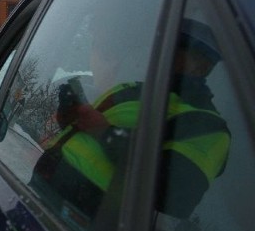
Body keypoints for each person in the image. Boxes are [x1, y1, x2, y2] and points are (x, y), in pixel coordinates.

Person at [32, 18, 231, 220]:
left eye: (177, 48)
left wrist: (104, 133)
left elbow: (176, 194)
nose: (162, 51)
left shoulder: (209, 127)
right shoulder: (136, 89)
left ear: (201, 66)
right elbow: (90, 135)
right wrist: (71, 119)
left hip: (87, 229)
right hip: (44, 194)